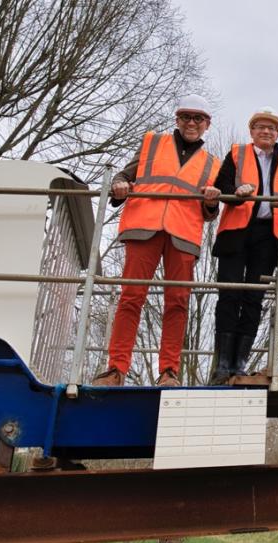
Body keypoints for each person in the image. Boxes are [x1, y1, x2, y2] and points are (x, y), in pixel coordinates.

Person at [92, 94, 222, 387]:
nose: (191, 123)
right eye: (186, 117)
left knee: (178, 303)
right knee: (131, 298)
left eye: (198, 119)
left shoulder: (213, 164)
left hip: (183, 236)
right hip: (144, 228)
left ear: (207, 124)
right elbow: (123, 177)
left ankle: (169, 372)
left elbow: (210, 211)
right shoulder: (152, 144)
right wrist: (120, 185)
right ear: (177, 120)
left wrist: (212, 202)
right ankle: (116, 369)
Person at [209, 107, 278, 384]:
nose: (266, 132)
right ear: (252, 131)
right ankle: (223, 363)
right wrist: (236, 193)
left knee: (254, 298)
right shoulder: (236, 154)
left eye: (271, 128)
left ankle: (240, 361)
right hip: (236, 233)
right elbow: (222, 186)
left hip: (269, 237)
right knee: (229, 294)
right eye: (260, 127)